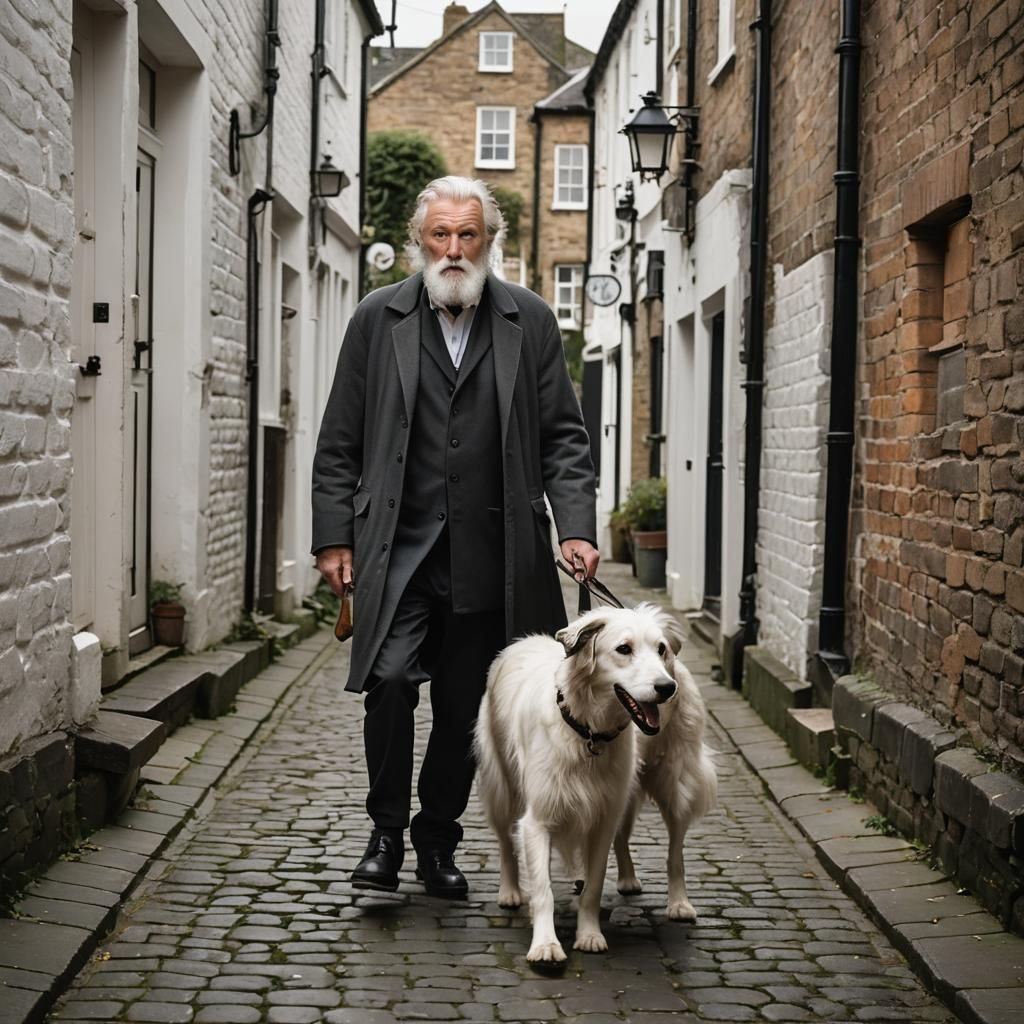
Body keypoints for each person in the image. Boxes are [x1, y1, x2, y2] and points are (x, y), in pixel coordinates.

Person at [311, 175, 598, 899]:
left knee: (469, 706)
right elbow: (340, 437)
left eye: (468, 235)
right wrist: (333, 537)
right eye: (440, 234)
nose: (453, 248)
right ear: (420, 240)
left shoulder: (528, 321)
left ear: (489, 242)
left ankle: (438, 840)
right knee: (391, 683)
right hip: (397, 551)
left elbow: (565, 434)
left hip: (494, 556)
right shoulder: (378, 319)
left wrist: (576, 528)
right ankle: (384, 836)